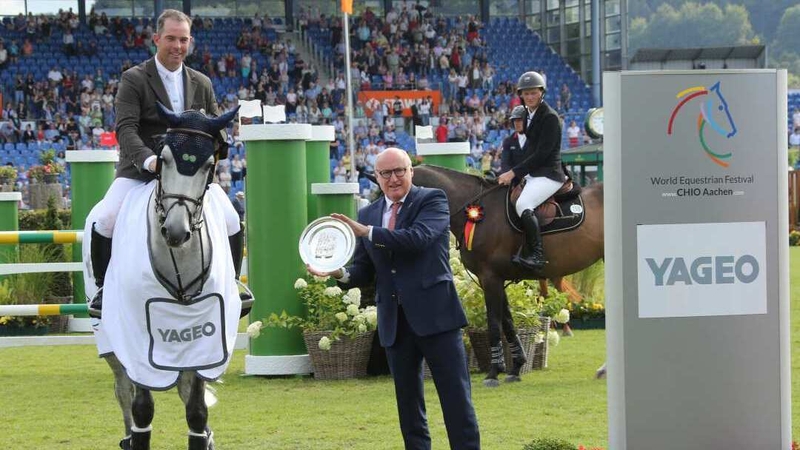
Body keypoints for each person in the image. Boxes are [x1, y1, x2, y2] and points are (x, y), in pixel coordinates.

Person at [308, 148, 481, 450]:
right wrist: (338, 272)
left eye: (399, 170)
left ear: (411, 171)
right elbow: (364, 270)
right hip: (395, 323)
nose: (393, 178)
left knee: (456, 401)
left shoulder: (433, 200)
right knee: (409, 408)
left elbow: (418, 239)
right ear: (376, 177)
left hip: (437, 317)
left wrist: (368, 232)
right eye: (385, 173)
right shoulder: (368, 213)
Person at [89, 9, 242, 313]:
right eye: (171, 38)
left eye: (183, 39)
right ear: (156, 39)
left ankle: (235, 284)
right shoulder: (134, 78)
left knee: (231, 219)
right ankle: (103, 289)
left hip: (188, 178)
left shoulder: (201, 82)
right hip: (141, 172)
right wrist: (149, 161)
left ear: (190, 42)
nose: (177, 45)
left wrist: (219, 147)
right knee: (104, 219)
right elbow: (126, 129)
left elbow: (215, 130)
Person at [497, 71, 565, 270]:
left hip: (549, 173)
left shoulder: (550, 117)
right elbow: (528, 150)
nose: (529, 97)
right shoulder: (530, 116)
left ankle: (537, 255)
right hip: (535, 172)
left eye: (533, 93)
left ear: (541, 93)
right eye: (526, 94)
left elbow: (542, 154)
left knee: (523, 203)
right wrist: (509, 172)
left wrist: (514, 173)